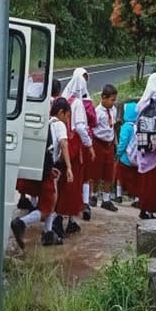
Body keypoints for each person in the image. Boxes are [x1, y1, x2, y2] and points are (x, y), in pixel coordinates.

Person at [10, 97, 73, 248]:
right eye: (67, 116)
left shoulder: (45, 122)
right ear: (61, 112)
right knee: (48, 205)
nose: (67, 120)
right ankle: (21, 223)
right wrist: (69, 168)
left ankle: (48, 233)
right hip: (47, 169)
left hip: (39, 165)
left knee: (51, 200)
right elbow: (64, 144)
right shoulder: (59, 125)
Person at [16, 78, 62, 211]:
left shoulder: (35, 98)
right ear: (58, 91)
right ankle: (37, 204)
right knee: (41, 176)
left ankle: (24, 198)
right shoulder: (55, 104)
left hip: (29, 134)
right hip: (45, 141)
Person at [59, 70, 95, 234]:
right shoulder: (78, 104)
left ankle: (62, 218)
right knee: (73, 184)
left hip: (61, 144)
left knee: (61, 183)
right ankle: (65, 219)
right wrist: (89, 144)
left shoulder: (63, 100)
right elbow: (80, 127)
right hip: (74, 148)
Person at [132, 73, 156, 219]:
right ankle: (151, 209)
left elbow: (136, 125)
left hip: (143, 148)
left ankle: (143, 207)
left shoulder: (142, 103)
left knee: (145, 180)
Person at [91, 84, 119, 212]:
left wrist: (115, 142)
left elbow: (112, 127)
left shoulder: (113, 110)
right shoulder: (97, 112)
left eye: (114, 100)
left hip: (109, 143)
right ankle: (94, 195)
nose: (113, 102)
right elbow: (92, 128)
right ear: (103, 97)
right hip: (98, 143)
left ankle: (106, 199)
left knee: (109, 172)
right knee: (96, 170)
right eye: (111, 100)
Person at [116, 101, 139, 205]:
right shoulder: (138, 126)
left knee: (119, 177)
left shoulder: (126, 127)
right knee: (135, 179)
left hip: (125, 158)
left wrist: (118, 153)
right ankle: (136, 198)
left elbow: (123, 143)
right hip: (137, 159)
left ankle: (119, 195)